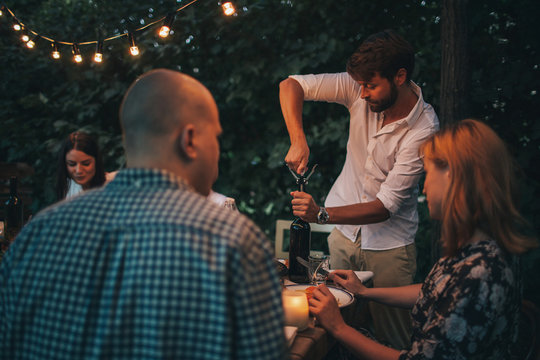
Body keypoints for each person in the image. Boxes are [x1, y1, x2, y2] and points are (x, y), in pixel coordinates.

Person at [0, 69, 287, 359]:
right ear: (189, 139)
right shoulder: (233, 241)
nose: (217, 153)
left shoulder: (37, 232)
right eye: (215, 137)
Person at [308, 119, 538, 359]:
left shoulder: (480, 272)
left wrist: (338, 327)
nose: (425, 188)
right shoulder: (479, 248)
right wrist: (364, 292)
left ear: (452, 174)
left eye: (427, 175)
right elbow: (435, 292)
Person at [279, 29, 439, 348]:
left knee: (391, 337)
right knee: (334, 329)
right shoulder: (358, 86)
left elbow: (385, 206)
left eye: (370, 85)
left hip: (391, 248)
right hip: (343, 238)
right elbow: (291, 84)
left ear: (400, 76)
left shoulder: (424, 128)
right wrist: (298, 139)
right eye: (360, 85)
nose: (362, 94)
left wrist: (321, 214)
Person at [55, 131, 116, 200]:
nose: (79, 171)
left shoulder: (116, 184)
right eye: (72, 164)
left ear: (96, 162)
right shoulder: (70, 189)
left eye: (86, 164)